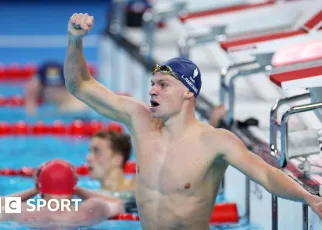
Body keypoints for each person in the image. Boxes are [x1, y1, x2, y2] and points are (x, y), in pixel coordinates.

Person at [64, 13, 322, 230]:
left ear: (188, 92)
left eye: (163, 85)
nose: (153, 91)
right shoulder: (139, 120)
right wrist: (75, 41)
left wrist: (309, 198)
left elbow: (266, 174)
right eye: (153, 85)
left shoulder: (214, 142)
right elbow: (80, 85)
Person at [0, 159, 124, 229]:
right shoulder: (91, 209)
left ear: (41, 188)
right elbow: (117, 203)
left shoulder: (23, 210)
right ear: (74, 186)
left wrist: (33, 190)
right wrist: (76, 187)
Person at [87, 130, 137, 212]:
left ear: (117, 159)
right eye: (90, 151)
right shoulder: (93, 193)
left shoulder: (137, 187)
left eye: (96, 151)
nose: (88, 158)